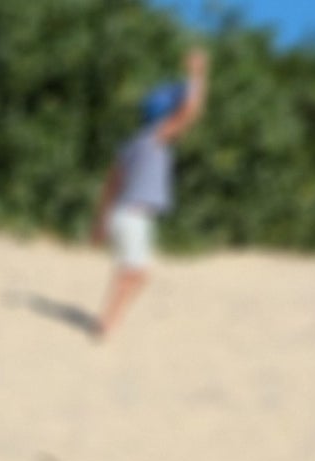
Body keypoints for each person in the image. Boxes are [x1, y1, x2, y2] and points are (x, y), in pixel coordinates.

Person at [93, 49, 209, 339]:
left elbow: (110, 186)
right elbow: (191, 111)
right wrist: (197, 73)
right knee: (137, 273)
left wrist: (100, 223)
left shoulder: (132, 143)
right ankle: (108, 323)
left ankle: (109, 319)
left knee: (133, 272)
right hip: (135, 215)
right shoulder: (157, 136)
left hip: (123, 214)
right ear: (164, 116)